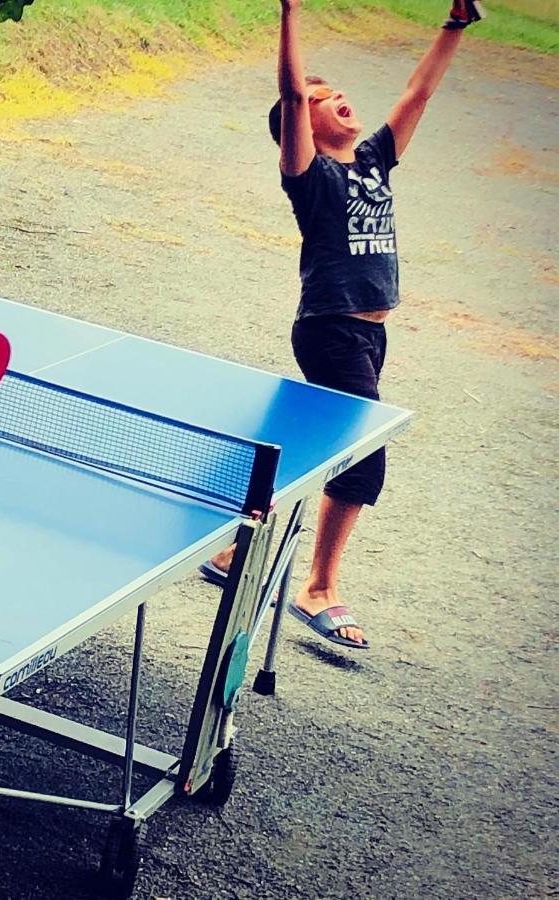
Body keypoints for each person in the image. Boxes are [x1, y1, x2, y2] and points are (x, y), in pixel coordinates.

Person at [200, 0, 483, 649]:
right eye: (323, 99)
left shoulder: (374, 160)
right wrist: (289, 15)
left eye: (339, 93)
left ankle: (229, 550)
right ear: (301, 123)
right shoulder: (309, 176)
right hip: (329, 327)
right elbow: (289, 95)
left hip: (367, 333)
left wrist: (454, 25)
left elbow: (418, 92)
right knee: (361, 459)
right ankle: (317, 588)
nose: (339, 101)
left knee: (309, 444)